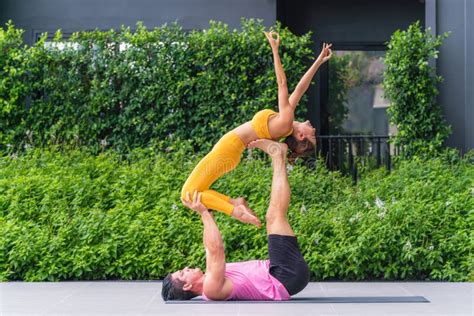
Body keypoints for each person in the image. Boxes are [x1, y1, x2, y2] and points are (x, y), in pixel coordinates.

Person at [181, 31, 333, 226]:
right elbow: (300, 89)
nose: (312, 127)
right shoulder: (285, 122)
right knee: (195, 193)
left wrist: (275, 49)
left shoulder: (286, 121)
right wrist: (319, 61)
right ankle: (234, 203)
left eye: (312, 133)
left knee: (188, 194)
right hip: (230, 151)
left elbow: (282, 84)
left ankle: (235, 210)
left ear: (301, 135)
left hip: (229, 148)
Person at [163, 140, 310, 301]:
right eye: (183, 273)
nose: (186, 268)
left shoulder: (211, 277)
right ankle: (277, 155)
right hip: (285, 275)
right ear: (187, 286)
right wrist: (203, 212)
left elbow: (208, 246)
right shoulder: (211, 288)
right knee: (275, 216)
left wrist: (207, 212)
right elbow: (215, 249)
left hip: (280, 271)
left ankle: (276, 157)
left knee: (273, 217)